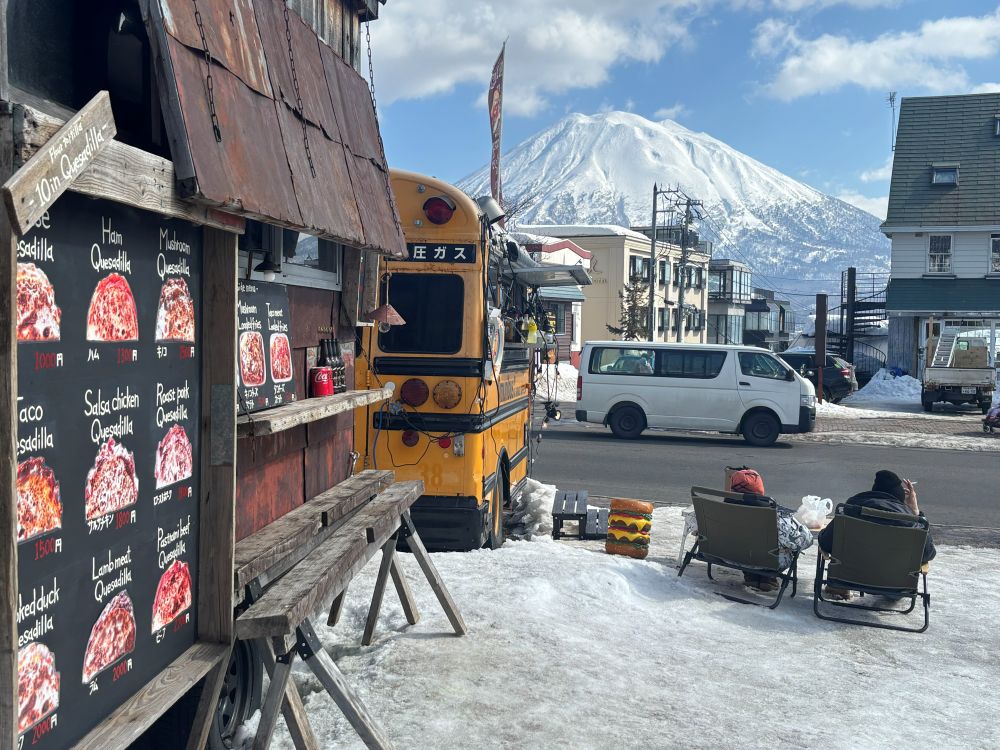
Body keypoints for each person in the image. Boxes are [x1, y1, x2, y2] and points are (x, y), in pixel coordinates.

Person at [683, 468, 813, 592]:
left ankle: (752, 575)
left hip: (725, 556)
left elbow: (694, 525)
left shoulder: (713, 510)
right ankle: (766, 577)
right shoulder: (777, 517)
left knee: (744, 543)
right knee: (783, 547)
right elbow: (805, 541)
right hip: (768, 562)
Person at [818, 469, 936, 564]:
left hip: (847, 579)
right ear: (898, 497)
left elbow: (826, 542)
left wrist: (822, 533)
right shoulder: (909, 520)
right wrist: (915, 512)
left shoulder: (851, 510)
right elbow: (928, 553)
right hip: (893, 582)